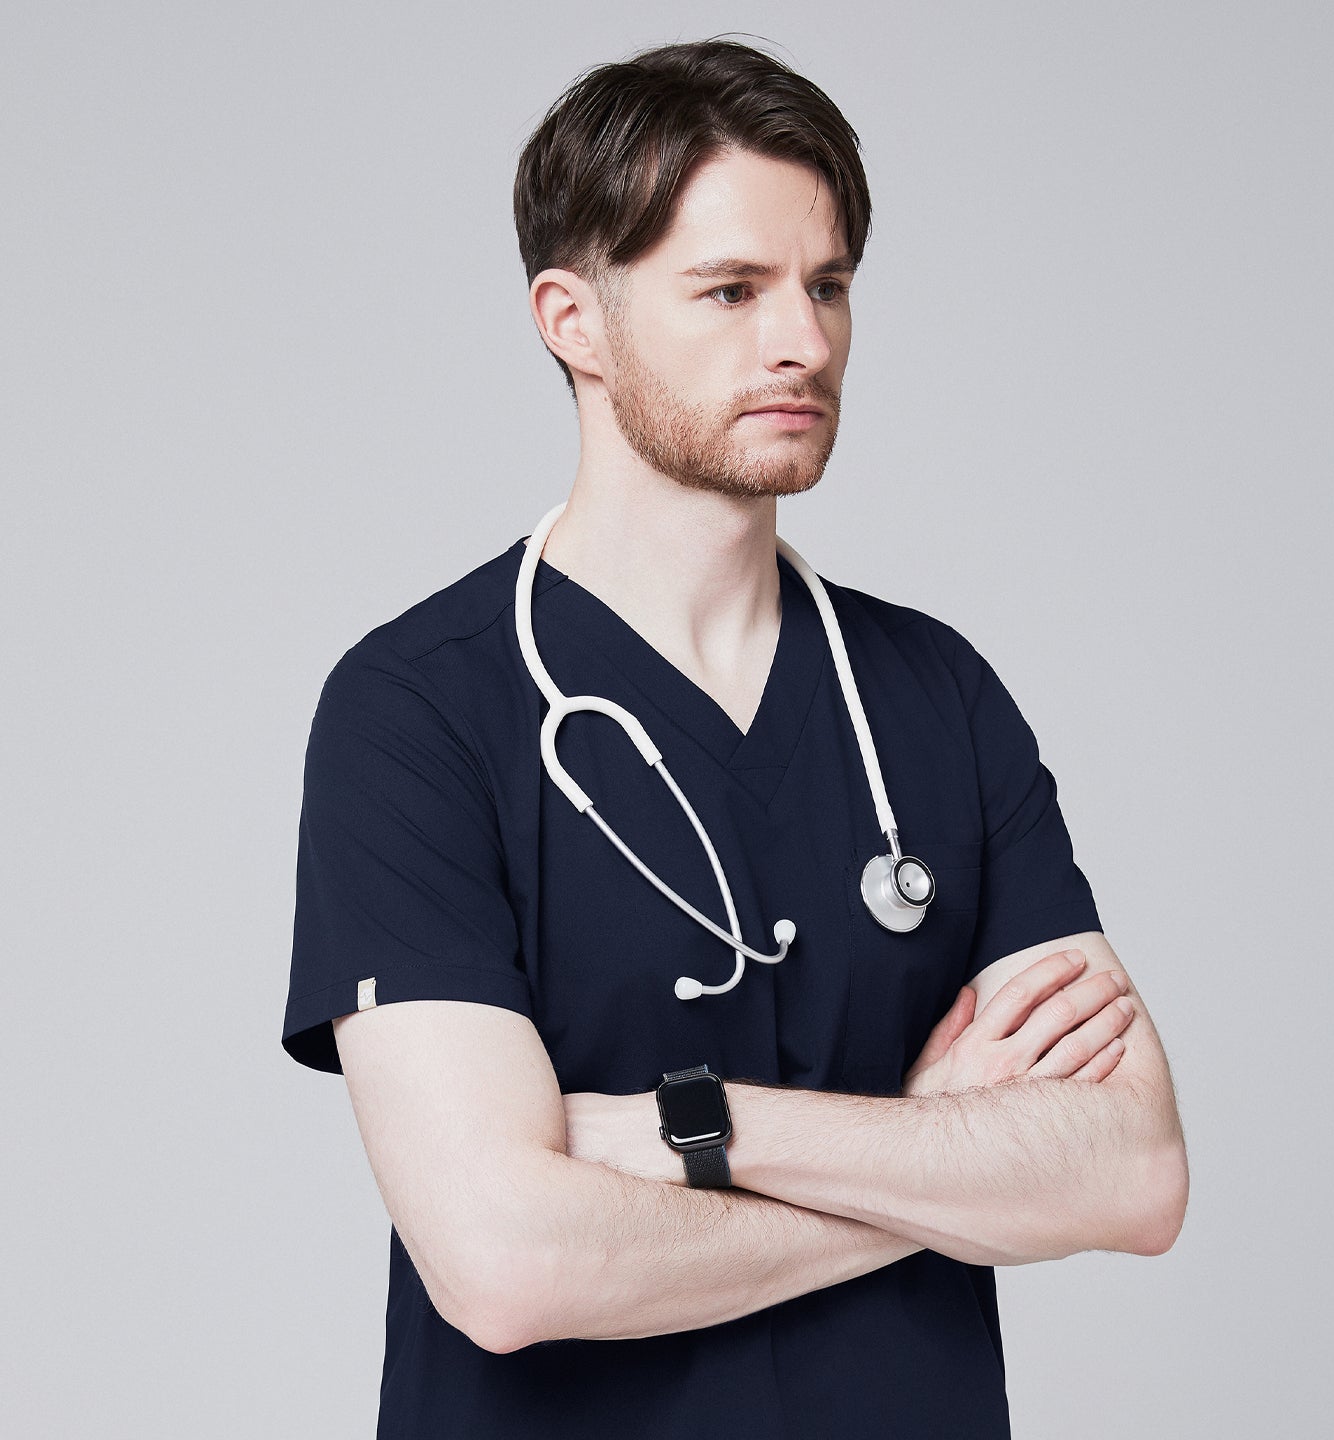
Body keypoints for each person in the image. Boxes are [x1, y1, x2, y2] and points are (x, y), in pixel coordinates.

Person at [281, 37, 1188, 1439]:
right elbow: (508, 1262)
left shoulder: (935, 694)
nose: (805, 342)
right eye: (732, 291)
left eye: (828, 286)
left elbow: (1129, 1172)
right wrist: (938, 1167)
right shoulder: (417, 711)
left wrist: (684, 1128)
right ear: (573, 319)